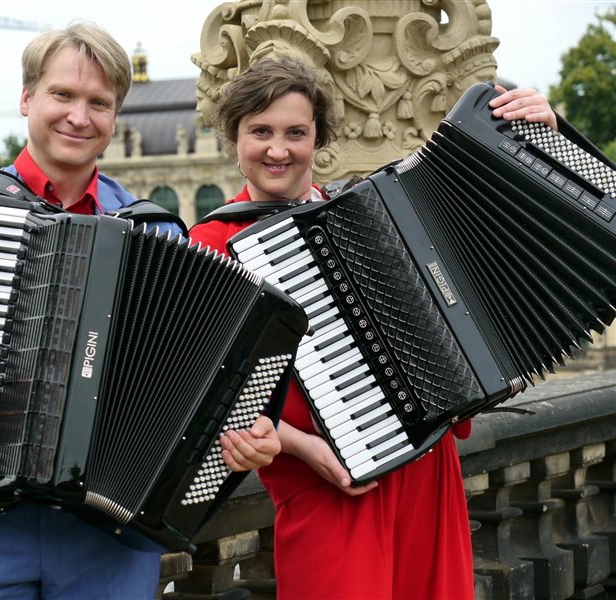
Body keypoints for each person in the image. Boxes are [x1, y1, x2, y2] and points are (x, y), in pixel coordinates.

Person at [0, 22, 278, 600]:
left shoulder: (154, 229)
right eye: (62, 95)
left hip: (112, 538)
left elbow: (200, 383)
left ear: (115, 119)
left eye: (99, 103)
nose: (79, 116)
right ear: (27, 99)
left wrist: (244, 434)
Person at [190, 57, 560, 599]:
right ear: (234, 138)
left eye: (296, 132)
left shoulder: (368, 209)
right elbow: (208, 396)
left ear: (318, 137)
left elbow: (495, 252)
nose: (278, 149)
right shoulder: (212, 245)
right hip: (329, 487)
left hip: (427, 473)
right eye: (260, 132)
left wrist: (538, 142)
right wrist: (303, 448)